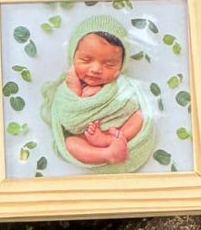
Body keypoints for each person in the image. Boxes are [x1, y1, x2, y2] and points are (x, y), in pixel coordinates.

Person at [40, 15, 155, 171]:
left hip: (120, 129)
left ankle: (114, 140)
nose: (96, 69)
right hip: (87, 137)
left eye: (109, 64)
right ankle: (108, 153)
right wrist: (75, 91)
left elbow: (133, 103)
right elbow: (69, 120)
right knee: (71, 144)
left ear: (121, 66)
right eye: (86, 60)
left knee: (140, 116)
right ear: (72, 57)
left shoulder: (122, 85)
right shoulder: (68, 87)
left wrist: (115, 133)